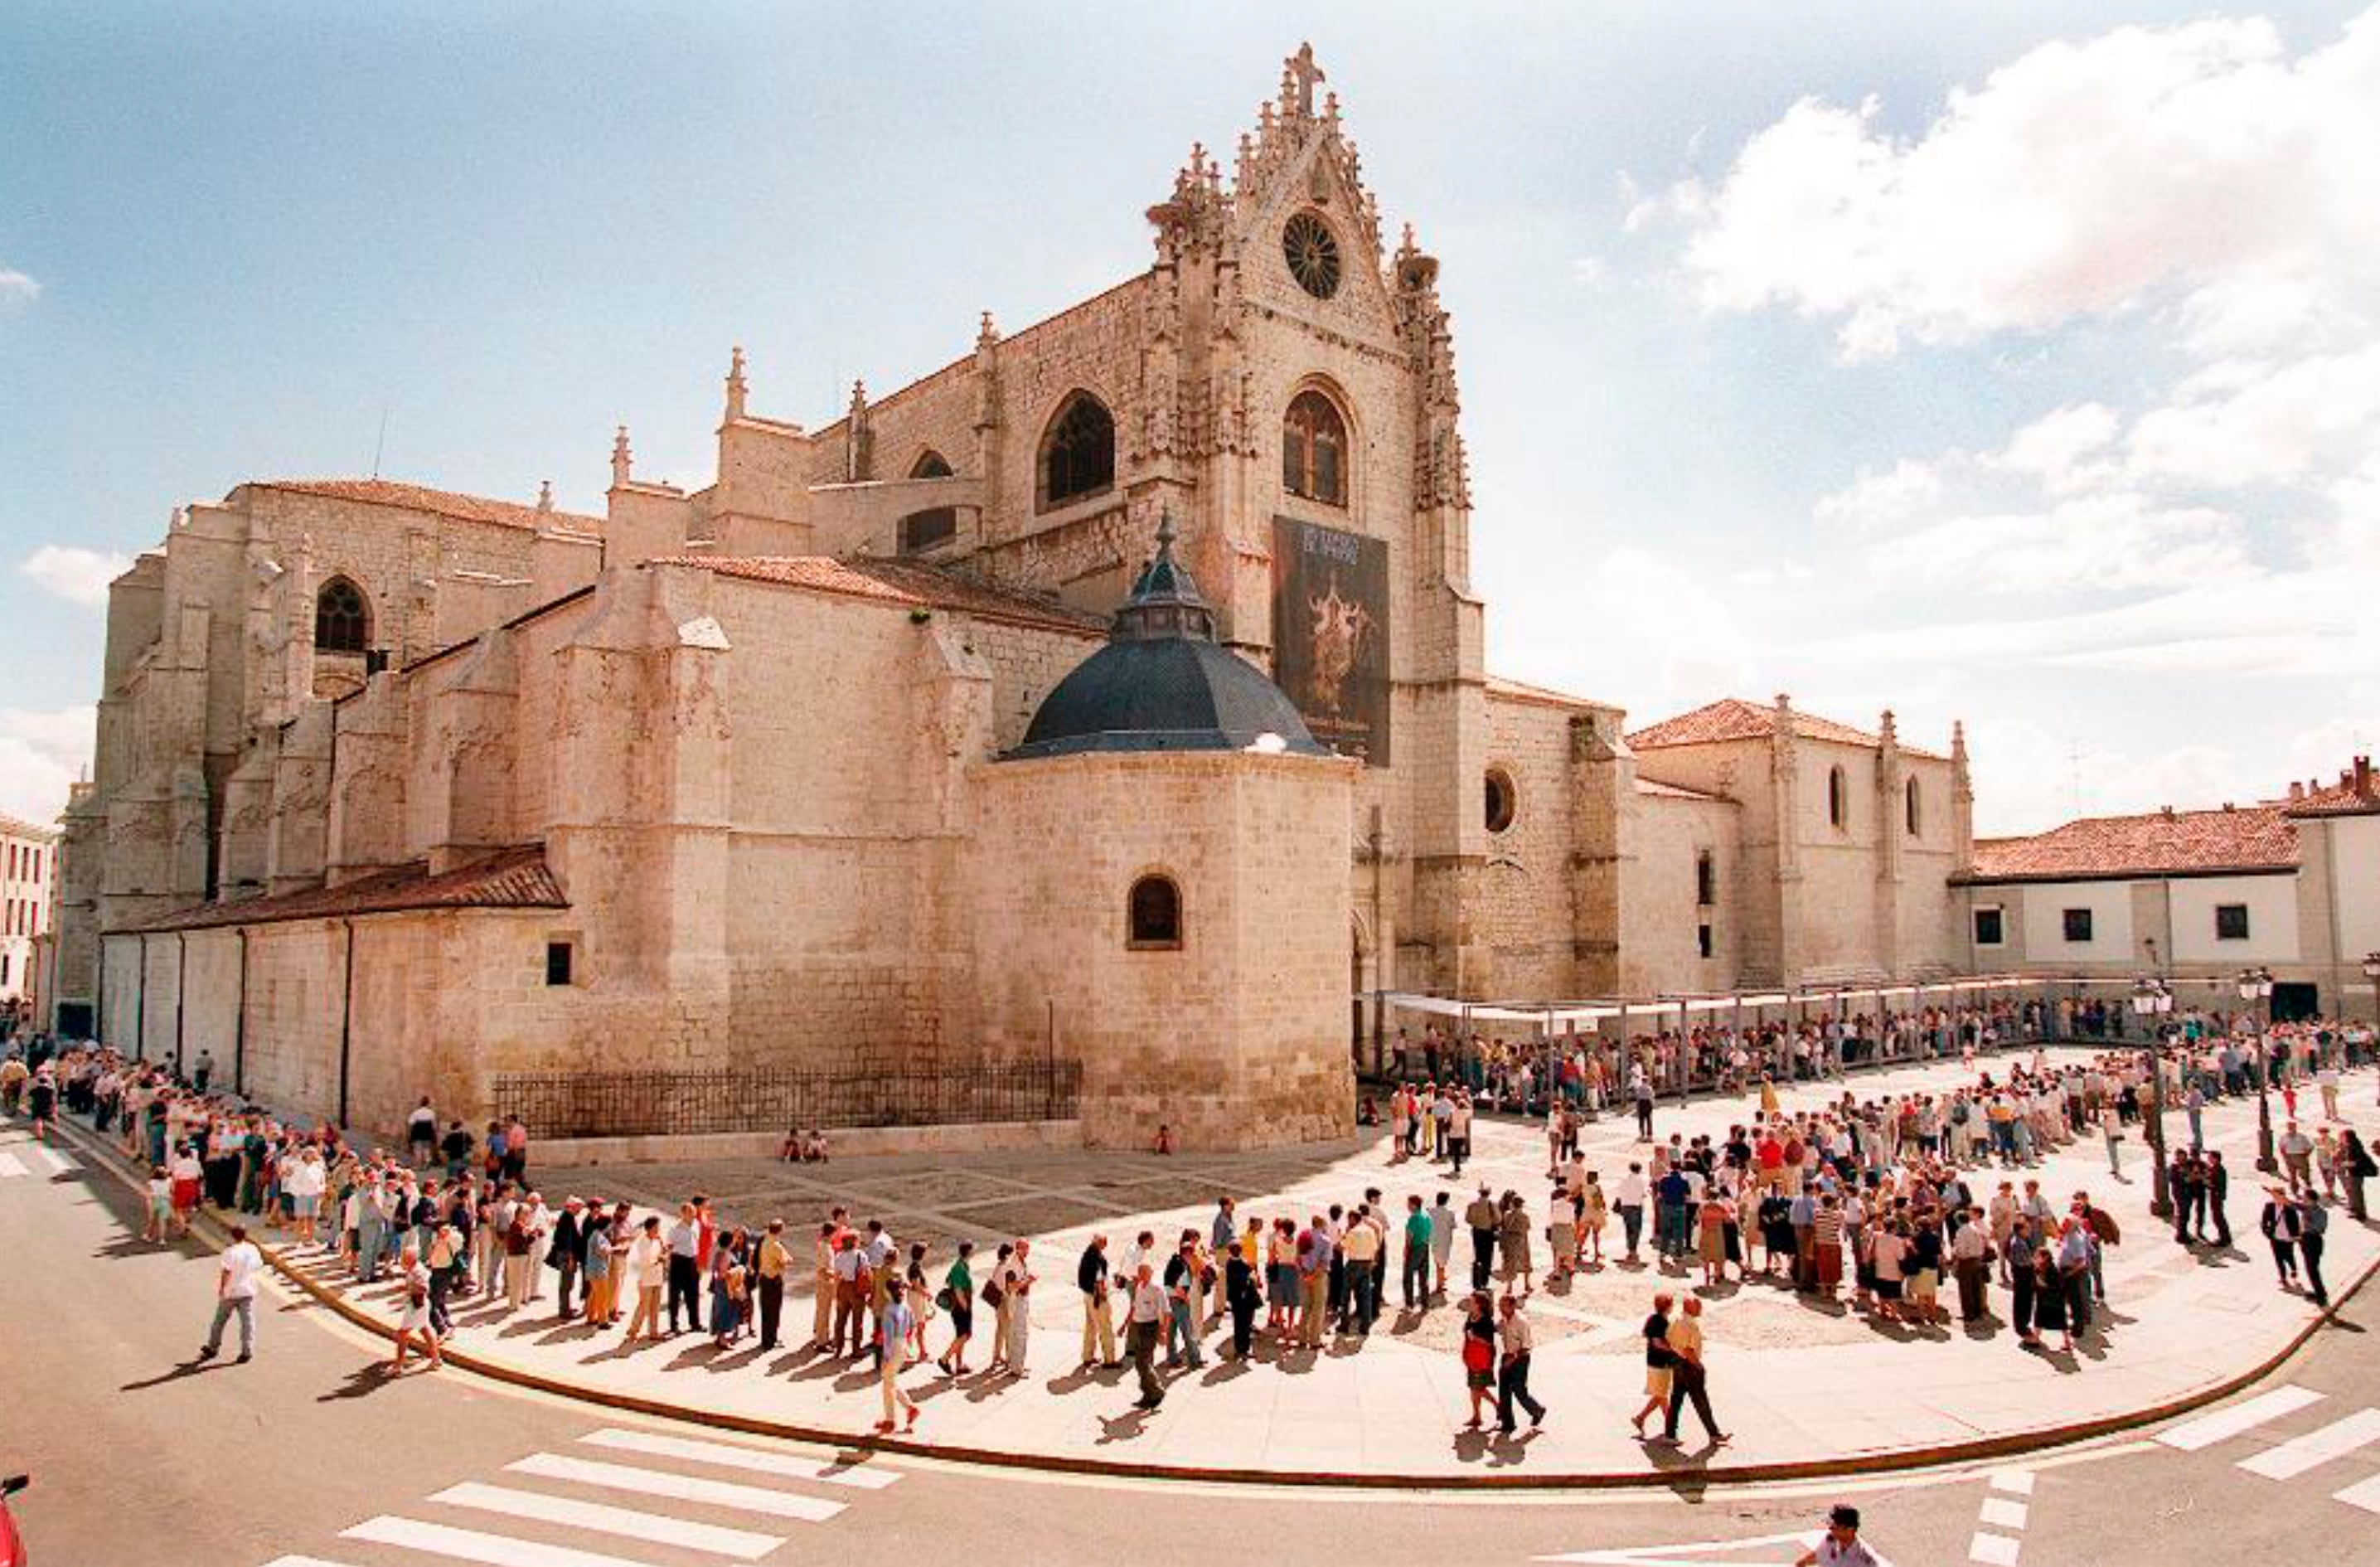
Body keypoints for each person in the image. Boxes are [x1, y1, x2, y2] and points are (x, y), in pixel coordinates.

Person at [1661, 1295, 1727, 1445]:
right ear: (1691, 1307)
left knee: (1676, 1400)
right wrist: (1699, 1366)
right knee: (1700, 1400)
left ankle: (1670, 1434)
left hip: (1677, 1363)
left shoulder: (1676, 1319)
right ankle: (1714, 1433)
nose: (1701, 1309)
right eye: (1698, 1306)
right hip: (1689, 1366)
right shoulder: (1690, 1324)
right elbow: (1689, 1350)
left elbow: (1670, 1341)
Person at [196, 1224, 263, 1365]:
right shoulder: (253, 1249)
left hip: (231, 1292)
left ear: (232, 1236)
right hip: (248, 1290)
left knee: (219, 1321)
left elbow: (227, 1272)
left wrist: (222, 1288)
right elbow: (258, 1265)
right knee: (247, 1323)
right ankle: (247, 1351)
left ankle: (212, 1347)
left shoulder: (229, 1252)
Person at [1495, 1293, 1548, 1434]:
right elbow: (1498, 1329)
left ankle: (1537, 1410)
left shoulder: (1521, 1322)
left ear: (1512, 1306)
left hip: (1519, 1359)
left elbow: (1527, 1347)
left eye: (1503, 1306)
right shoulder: (1504, 1319)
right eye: (1499, 1305)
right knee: (1504, 1391)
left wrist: (1512, 1359)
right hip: (1507, 1355)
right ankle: (1508, 1423)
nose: (1500, 1308)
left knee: (1519, 1390)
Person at [1631, 1292, 1675, 1438]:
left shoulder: (1653, 1318)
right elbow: (1657, 1342)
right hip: (1660, 1362)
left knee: (1661, 1395)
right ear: (1668, 1307)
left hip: (1653, 1361)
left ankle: (1669, 1425)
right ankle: (1641, 1418)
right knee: (1660, 1395)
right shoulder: (1661, 1322)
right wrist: (1673, 1349)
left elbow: (1645, 1334)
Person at [876, 1284, 919, 1434]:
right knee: (890, 1381)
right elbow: (913, 1326)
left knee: (887, 1383)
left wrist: (886, 1357)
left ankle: (891, 1420)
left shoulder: (889, 1310)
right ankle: (909, 1408)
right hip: (903, 1345)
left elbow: (888, 1337)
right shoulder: (905, 1307)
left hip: (893, 1347)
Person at [1127, 1263, 1166, 1409]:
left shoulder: (1157, 1289)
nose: (1141, 1275)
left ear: (1151, 1273)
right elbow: (1134, 1307)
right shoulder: (1139, 1287)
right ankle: (1147, 1395)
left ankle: (1157, 1391)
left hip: (1150, 1328)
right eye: (1140, 1272)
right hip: (1138, 1327)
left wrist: (1163, 1332)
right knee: (1141, 1363)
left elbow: (1166, 1312)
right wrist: (1126, 1325)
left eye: (1144, 1272)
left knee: (1142, 1362)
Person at [624, 1215, 668, 1342]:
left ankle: (653, 1331)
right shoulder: (643, 1242)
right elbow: (645, 1261)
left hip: (658, 1277)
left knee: (655, 1306)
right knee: (644, 1306)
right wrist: (660, 1259)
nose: (658, 1230)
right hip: (646, 1279)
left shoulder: (657, 1240)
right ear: (649, 1228)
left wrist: (664, 1253)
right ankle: (633, 1330)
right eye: (656, 1227)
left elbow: (662, 1254)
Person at [1795, 1505, 1882, 1567]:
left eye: (1834, 1525)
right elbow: (1818, 1555)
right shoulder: (1830, 1540)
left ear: (1849, 1529)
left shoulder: (1863, 1562)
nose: (1830, 1528)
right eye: (1829, 1524)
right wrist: (1801, 1563)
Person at [1458, 1291, 1498, 1430]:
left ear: (1479, 1304)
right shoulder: (1471, 1316)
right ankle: (1477, 1416)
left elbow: (1489, 1342)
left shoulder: (1487, 1320)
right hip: (1471, 1356)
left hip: (1482, 1358)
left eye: (1472, 1301)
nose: (1470, 1303)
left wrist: (1475, 1338)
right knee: (1473, 1387)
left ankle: (1498, 1406)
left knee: (1478, 1387)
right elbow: (1467, 1330)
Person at [1077, 1234, 1117, 1369]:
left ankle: (1087, 1357)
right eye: (1104, 1243)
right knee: (1105, 1327)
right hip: (1097, 1296)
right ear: (1099, 1243)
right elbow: (1099, 1279)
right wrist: (1103, 1294)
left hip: (1088, 1296)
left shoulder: (1087, 1255)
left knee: (1091, 1326)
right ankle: (1109, 1360)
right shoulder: (1097, 1259)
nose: (1106, 1245)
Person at [938, 1240, 976, 1374]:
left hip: (959, 1306)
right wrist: (966, 1307)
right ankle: (944, 1358)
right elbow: (958, 1290)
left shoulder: (960, 1265)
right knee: (965, 1335)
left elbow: (949, 1281)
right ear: (969, 1251)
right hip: (961, 1306)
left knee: (960, 1336)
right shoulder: (960, 1268)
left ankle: (959, 1365)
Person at [755, 1220, 790, 1351]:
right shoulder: (776, 1245)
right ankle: (771, 1340)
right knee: (774, 1311)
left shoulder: (765, 1241)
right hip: (774, 1280)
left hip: (764, 1278)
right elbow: (786, 1260)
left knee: (766, 1311)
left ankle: (766, 1340)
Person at [2261, 1185, 2301, 1289]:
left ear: (2283, 1196)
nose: (2275, 1198)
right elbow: (2264, 1221)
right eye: (2274, 1196)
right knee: (2278, 1258)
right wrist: (2266, 1232)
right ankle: (2283, 1277)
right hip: (2275, 1237)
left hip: (2288, 1238)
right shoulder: (2269, 1206)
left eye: (2277, 1196)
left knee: (2289, 1256)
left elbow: (2296, 1223)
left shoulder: (2290, 1209)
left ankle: (2294, 1272)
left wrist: (2296, 1236)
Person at [2297, 1192, 2329, 1308]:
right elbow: (2292, 1204)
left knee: (2313, 1270)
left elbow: (2321, 1229)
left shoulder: (2321, 1213)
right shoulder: (2306, 1209)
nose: (2303, 1200)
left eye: (2305, 1199)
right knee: (2311, 1269)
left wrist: (2308, 1221)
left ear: (2312, 1200)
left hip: (2313, 1242)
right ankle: (2320, 1292)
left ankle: (2321, 1297)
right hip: (2305, 1240)